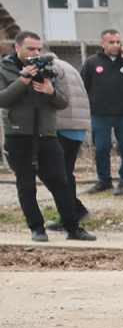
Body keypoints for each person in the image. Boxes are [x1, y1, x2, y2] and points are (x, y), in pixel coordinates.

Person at [1, 32, 95, 241]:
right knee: (26, 184)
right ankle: (37, 228)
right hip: (19, 135)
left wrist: (50, 90)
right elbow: (3, 99)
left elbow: (62, 102)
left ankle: (72, 228)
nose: (36, 53)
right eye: (31, 49)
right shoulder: (5, 69)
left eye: (38, 49)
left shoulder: (48, 70)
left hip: (47, 135)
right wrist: (22, 80)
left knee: (61, 182)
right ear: (17, 48)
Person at [80, 29, 123, 196]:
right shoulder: (92, 63)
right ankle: (104, 180)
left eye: (118, 42)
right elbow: (83, 86)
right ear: (103, 44)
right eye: (111, 42)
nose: (116, 45)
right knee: (101, 148)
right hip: (99, 114)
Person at [48, 44, 92, 230]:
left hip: (61, 126)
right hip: (76, 127)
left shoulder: (50, 68)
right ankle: (71, 213)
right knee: (66, 173)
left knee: (56, 175)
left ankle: (72, 212)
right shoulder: (68, 66)